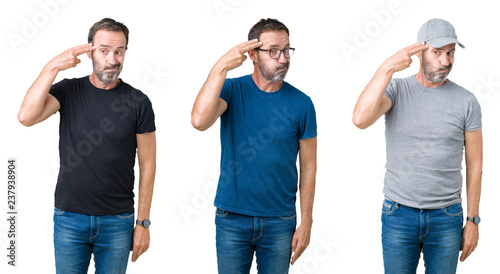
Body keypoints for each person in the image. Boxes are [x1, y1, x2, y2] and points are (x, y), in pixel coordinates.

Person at [17, 18, 156, 273]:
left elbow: (148, 166)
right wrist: (53, 66)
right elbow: (26, 116)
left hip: (118, 222)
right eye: (104, 50)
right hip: (69, 218)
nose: (112, 60)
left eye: (119, 51)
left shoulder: (139, 102)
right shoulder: (69, 90)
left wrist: (143, 223)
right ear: (90, 49)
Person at [353, 18, 482, 273]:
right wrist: (388, 67)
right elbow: (360, 119)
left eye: (450, 53)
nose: (446, 62)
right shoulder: (396, 90)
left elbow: (475, 163)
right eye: (437, 52)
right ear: (420, 51)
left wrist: (473, 220)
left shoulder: (467, 101)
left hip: (447, 217)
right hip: (398, 214)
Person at [191, 18, 317, 273]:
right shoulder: (231, 90)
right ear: (252, 55)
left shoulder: (302, 104)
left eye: (286, 50)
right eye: (273, 51)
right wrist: (221, 66)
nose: (283, 59)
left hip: (280, 221)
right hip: (232, 218)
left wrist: (306, 223)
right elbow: (199, 120)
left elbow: (309, 167)